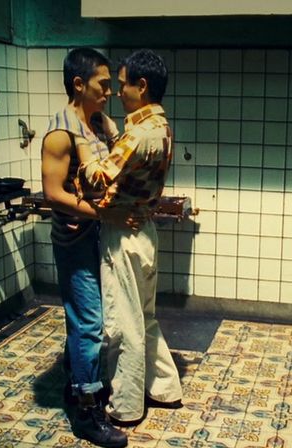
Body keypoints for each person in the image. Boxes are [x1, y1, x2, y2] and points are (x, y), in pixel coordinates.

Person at [75, 49, 183, 426]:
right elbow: (131, 157)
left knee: (124, 324)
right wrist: (111, 132)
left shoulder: (137, 134)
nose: (118, 92)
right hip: (145, 231)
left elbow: (98, 177)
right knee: (145, 317)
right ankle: (165, 388)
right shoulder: (161, 126)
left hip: (122, 234)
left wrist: (83, 146)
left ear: (142, 85)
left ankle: (126, 407)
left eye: (123, 85)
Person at [40, 47, 133, 448]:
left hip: (95, 236)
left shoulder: (94, 123)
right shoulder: (61, 133)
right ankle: (86, 412)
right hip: (75, 242)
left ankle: (76, 382)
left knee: (84, 320)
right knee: (89, 323)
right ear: (79, 84)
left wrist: (112, 129)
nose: (110, 92)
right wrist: (103, 215)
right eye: (103, 85)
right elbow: (52, 193)